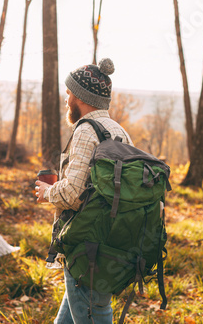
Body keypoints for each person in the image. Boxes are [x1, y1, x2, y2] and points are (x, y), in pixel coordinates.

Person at [35, 58, 133, 324]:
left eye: (68, 93)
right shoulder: (119, 131)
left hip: (85, 243)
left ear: (80, 96)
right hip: (111, 241)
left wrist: (47, 191)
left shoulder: (86, 130)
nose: (66, 100)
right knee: (76, 308)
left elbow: (72, 194)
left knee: (93, 313)